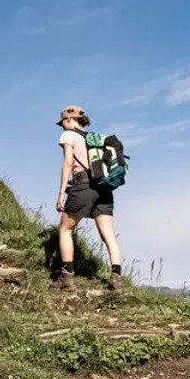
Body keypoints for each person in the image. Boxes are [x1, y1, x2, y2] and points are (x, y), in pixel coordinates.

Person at [54, 105, 123, 291]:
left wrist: (61, 193)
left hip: (83, 184)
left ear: (69, 120)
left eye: (62, 123)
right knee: (108, 233)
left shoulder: (69, 135)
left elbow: (68, 162)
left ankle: (66, 278)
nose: (62, 127)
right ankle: (116, 278)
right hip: (104, 187)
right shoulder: (94, 140)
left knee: (65, 228)